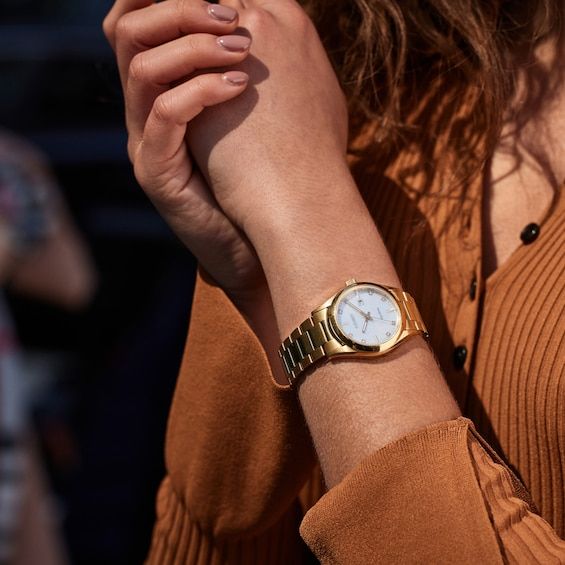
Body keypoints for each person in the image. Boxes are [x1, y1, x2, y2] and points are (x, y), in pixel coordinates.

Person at [103, 0, 565, 562]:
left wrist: (305, 212)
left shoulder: (308, 134)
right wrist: (257, 285)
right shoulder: (344, 69)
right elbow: (217, 533)